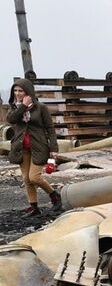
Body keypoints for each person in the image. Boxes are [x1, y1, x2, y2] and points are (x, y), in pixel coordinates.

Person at [7, 78, 60, 215]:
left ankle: (54, 196)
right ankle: (34, 207)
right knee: (26, 179)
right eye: (15, 90)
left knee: (34, 177)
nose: (17, 93)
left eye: (21, 90)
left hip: (39, 147)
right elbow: (11, 119)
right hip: (21, 148)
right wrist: (23, 106)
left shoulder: (40, 108)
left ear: (28, 92)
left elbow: (50, 129)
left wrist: (53, 148)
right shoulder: (14, 107)